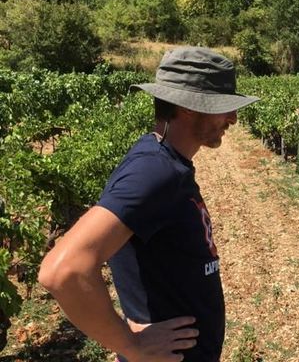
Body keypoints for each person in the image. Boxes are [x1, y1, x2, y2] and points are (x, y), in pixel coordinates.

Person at [38, 46, 259, 362]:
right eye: (224, 108)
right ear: (188, 108)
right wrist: (130, 345)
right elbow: (63, 270)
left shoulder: (165, 163)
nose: (234, 118)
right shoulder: (155, 171)